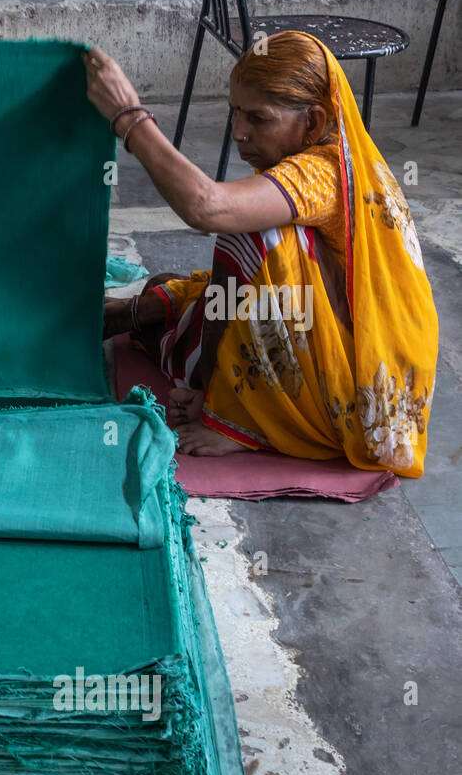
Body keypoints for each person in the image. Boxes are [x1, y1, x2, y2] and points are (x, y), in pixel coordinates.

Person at [84, 30, 438, 476]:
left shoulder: (321, 173)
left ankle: (236, 417)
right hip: (363, 370)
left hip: (355, 400)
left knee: (252, 237)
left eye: (258, 118)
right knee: (187, 289)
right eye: (235, 112)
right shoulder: (346, 160)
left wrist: (129, 118)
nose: (238, 132)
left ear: (312, 122)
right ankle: (151, 315)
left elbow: (207, 207)